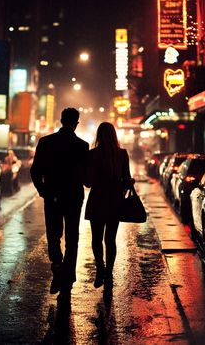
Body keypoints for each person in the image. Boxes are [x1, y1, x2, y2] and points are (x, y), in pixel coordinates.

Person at [30, 108, 89, 303]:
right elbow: (85, 176)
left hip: (53, 196)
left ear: (61, 120)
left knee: (53, 234)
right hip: (73, 197)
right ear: (76, 123)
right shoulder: (82, 146)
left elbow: (35, 171)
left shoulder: (46, 143)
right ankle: (68, 277)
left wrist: (44, 191)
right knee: (72, 237)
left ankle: (57, 265)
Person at [84, 122, 134, 292]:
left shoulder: (92, 154)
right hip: (115, 202)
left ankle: (100, 269)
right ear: (114, 135)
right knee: (110, 239)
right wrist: (128, 182)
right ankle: (109, 273)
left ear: (98, 135)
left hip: (97, 201)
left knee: (96, 239)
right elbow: (126, 180)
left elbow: (88, 183)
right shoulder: (122, 154)